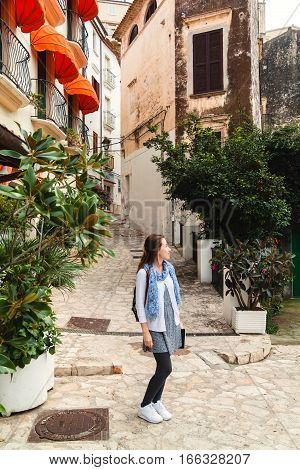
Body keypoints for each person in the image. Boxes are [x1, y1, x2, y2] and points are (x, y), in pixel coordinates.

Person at [135, 234, 183, 424]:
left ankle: (157, 401)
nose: (169, 249)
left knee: (163, 367)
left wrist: (180, 320)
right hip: (154, 326)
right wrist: (145, 332)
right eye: (165, 245)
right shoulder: (144, 273)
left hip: (170, 323)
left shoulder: (169, 269)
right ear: (156, 250)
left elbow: (174, 297)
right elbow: (140, 305)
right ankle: (145, 405)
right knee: (165, 367)